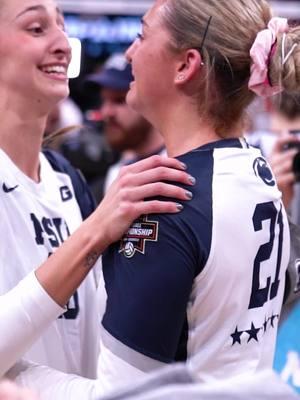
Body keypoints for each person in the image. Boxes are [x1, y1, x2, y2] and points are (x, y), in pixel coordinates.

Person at [7, 0, 298, 398]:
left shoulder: (164, 202)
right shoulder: (256, 172)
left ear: (185, 66)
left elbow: (124, 395)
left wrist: (17, 379)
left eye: (142, 35)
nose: (129, 52)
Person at [0, 0, 194, 388]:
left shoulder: (68, 182)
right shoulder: (98, 204)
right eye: (37, 29)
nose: (63, 44)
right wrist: (95, 231)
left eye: (61, 25)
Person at [86, 53, 165, 200]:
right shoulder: (116, 175)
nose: (106, 112)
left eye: (119, 100)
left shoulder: (180, 163)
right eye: (104, 100)